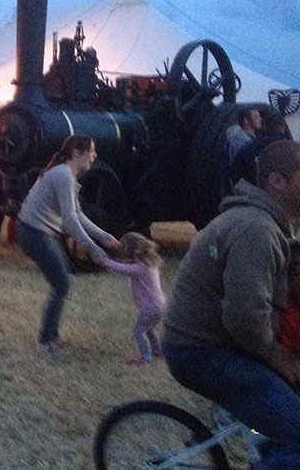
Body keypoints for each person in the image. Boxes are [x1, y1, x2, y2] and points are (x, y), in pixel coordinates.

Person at [163, 140, 300, 468]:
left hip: (212, 345)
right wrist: (281, 359)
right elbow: (244, 318)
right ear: (277, 182)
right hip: (201, 352)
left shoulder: (262, 222)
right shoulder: (256, 230)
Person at [16, 135, 118, 355]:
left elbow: (77, 214)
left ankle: (51, 337)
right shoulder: (63, 175)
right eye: (91, 151)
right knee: (62, 283)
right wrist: (93, 248)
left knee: (63, 281)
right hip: (35, 233)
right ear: (76, 153)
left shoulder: (66, 174)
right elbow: (70, 221)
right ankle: (47, 342)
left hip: (38, 232)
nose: (95, 155)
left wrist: (103, 236)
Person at [101, 232, 166, 365]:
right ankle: (158, 351)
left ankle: (146, 357)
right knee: (149, 329)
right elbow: (125, 265)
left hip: (150, 308)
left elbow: (121, 268)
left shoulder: (140, 268)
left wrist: (105, 261)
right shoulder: (149, 263)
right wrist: (114, 248)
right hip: (160, 306)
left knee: (139, 331)